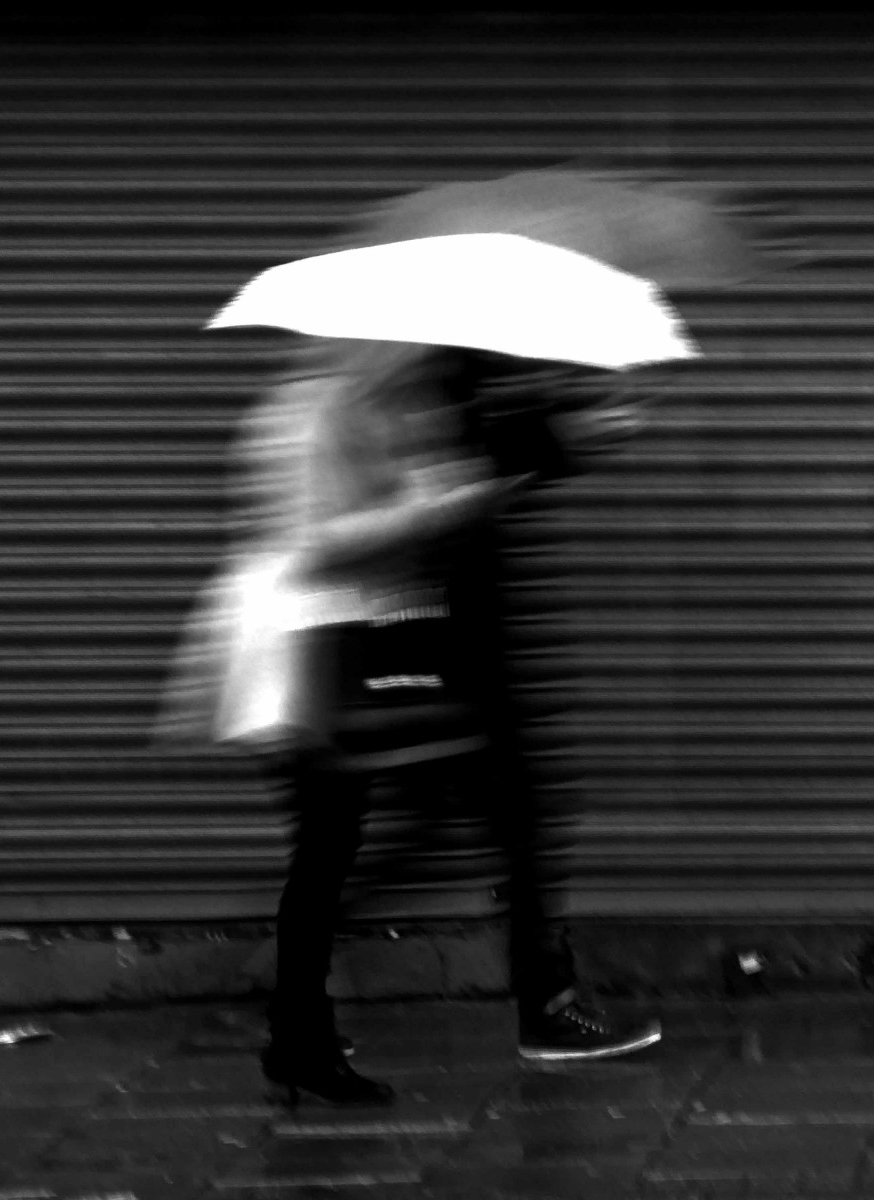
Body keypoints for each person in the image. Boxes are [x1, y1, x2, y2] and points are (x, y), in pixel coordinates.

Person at [167, 335, 662, 1106]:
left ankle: (299, 1037)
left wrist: (471, 482)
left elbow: (420, 505)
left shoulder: (367, 408)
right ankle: (300, 1036)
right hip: (305, 650)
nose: (408, 358)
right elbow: (316, 541)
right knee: (329, 847)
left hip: (339, 641)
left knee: (334, 845)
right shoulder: (312, 416)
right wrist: (429, 506)